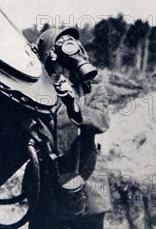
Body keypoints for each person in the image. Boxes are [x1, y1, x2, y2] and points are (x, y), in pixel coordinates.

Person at [24, 27, 111, 229]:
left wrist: (73, 104)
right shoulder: (35, 91)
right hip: (47, 183)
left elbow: (101, 122)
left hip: (87, 181)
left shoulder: (93, 90)